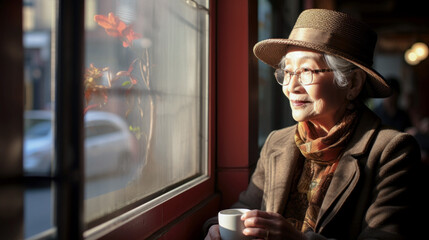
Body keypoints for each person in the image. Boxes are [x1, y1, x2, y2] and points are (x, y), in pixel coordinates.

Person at [204, 9, 423, 240]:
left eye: (307, 71)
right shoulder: (276, 142)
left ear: (352, 84)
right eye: (287, 72)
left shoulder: (393, 151)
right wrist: (216, 228)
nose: (291, 86)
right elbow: (244, 207)